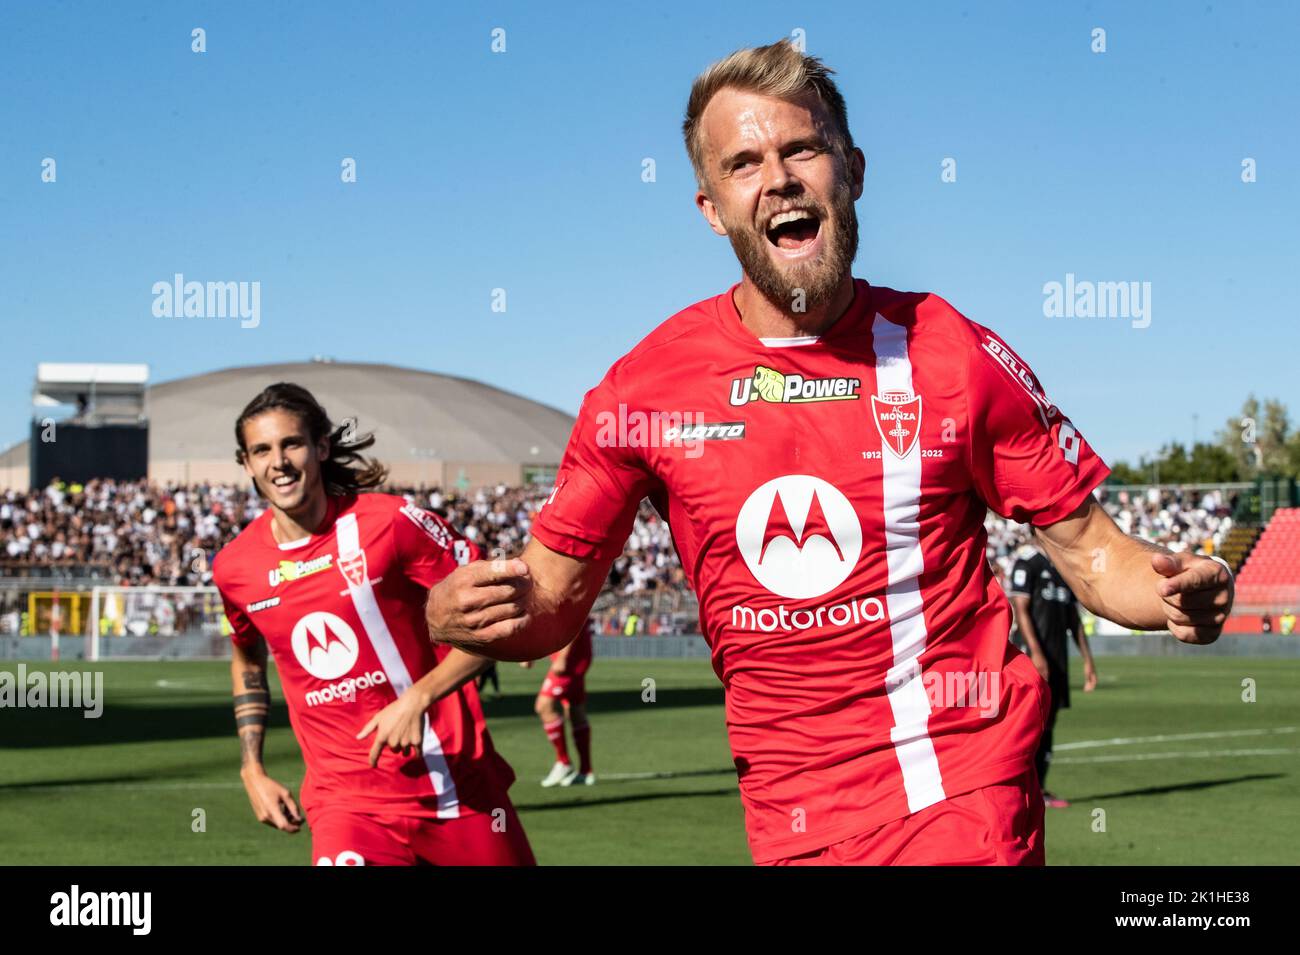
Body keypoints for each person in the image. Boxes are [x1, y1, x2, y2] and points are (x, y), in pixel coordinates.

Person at [425, 41, 1234, 866]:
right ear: (712, 207)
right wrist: (460, 614)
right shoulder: (644, 391)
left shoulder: (949, 353)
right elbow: (551, 602)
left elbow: (1094, 552)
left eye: (800, 149)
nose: (777, 177)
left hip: (957, 792)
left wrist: (1171, 588)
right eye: (744, 163)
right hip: (789, 818)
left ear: (850, 169)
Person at [213, 383, 534, 866]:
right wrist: (251, 769)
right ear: (246, 463)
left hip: (457, 790)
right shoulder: (235, 568)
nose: (277, 461)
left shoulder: (391, 523)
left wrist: (420, 697)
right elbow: (247, 659)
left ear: (320, 447)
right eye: (261, 450)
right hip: (347, 806)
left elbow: (498, 618)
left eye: (291, 444)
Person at [1010, 545, 1097, 808]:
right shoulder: (1028, 562)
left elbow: (1074, 621)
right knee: (1024, 725)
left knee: (1048, 723)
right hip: (1029, 658)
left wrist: (1088, 662)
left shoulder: (1064, 567)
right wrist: (1035, 653)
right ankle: (1015, 791)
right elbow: (1020, 608)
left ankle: (1039, 791)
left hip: (1058, 660)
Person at [523, 618, 596, 787]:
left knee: (543, 706)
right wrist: (528, 651)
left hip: (572, 658)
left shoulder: (564, 593)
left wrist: (563, 656)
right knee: (574, 709)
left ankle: (563, 762)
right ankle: (586, 771)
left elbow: (573, 621)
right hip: (576, 655)